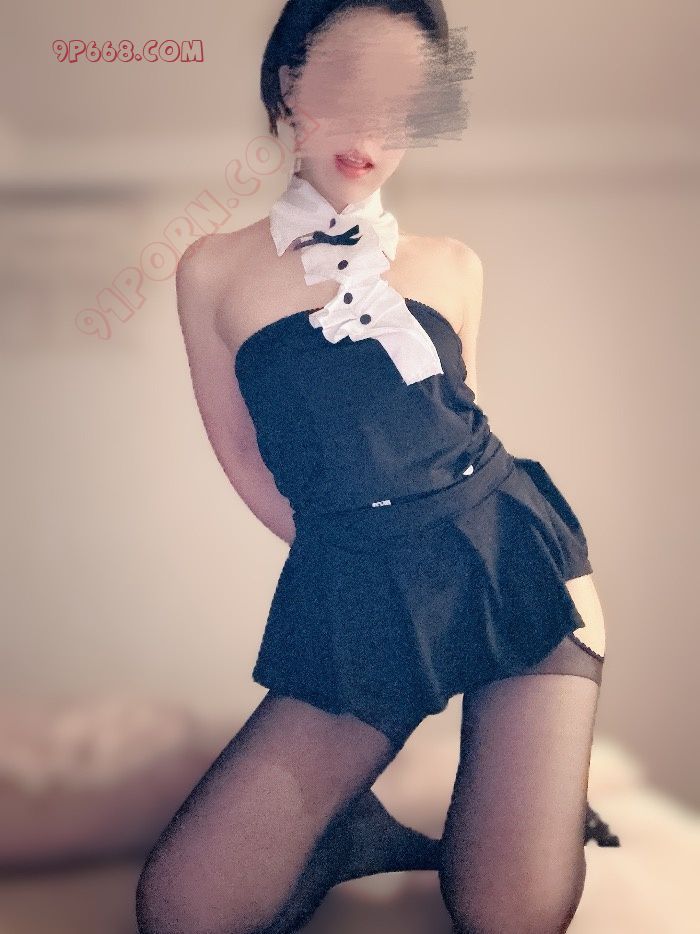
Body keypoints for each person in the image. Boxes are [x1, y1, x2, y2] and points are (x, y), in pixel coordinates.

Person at [136, 2, 620, 933]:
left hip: (517, 560)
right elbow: (243, 453)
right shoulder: (212, 271)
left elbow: (462, 425)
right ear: (289, 85)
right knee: (184, 908)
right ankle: (350, 831)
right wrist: (363, 572)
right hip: (363, 582)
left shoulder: (453, 264)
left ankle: (538, 804)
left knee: (510, 915)